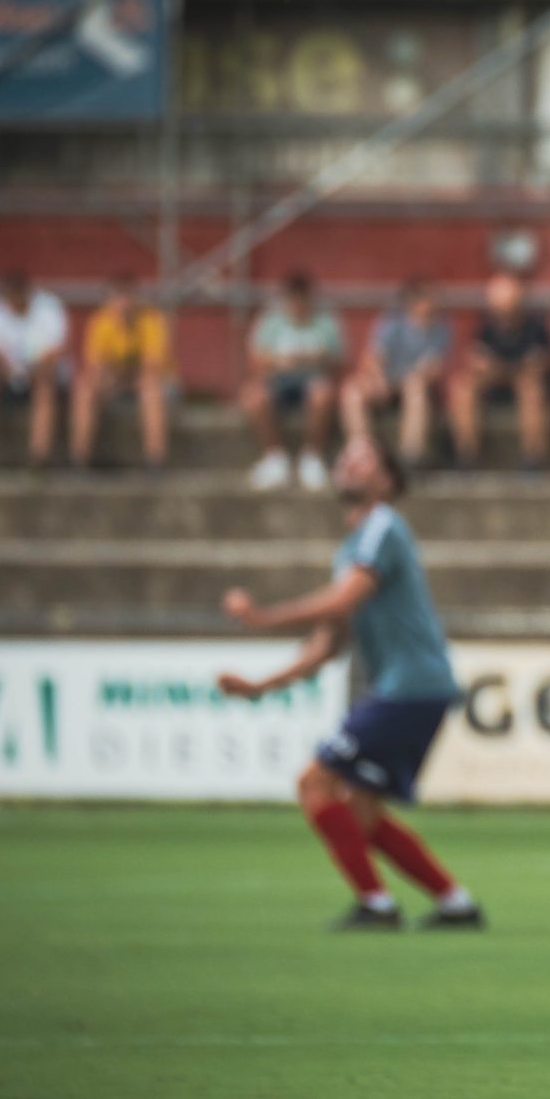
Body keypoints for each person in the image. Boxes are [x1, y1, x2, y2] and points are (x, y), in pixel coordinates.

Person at [217, 437, 483, 932]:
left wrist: (262, 617)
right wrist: (259, 686)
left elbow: (340, 604)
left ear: (388, 481)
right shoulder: (354, 548)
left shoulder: (382, 525)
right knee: (361, 812)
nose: (347, 463)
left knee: (314, 784)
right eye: (345, 457)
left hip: (410, 687)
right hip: (413, 689)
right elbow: (327, 645)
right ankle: (455, 904)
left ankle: (376, 905)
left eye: (363, 459)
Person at [243, 273, 345, 491]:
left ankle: (312, 458)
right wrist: (279, 361)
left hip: (314, 379)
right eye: (294, 299)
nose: (298, 305)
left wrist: (317, 357)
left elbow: (339, 360)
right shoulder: (271, 321)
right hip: (277, 380)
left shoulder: (326, 322)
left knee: (323, 393)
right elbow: (255, 359)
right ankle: (274, 459)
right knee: (254, 396)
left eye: (302, 299)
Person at [449, 272, 550, 472]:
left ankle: (533, 457)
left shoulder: (535, 325)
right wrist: (489, 367)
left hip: (523, 383)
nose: (502, 310)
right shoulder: (485, 324)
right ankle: (467, 455)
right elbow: (475, 357)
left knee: (530, 388)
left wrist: (508, 368)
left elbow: (539, 364)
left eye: (507, 304)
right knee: (462, 387)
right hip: (494, 384)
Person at [0, 272, 69, 469]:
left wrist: (31, 371)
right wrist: (7, 371)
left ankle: (39, 456)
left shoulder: (48, 308)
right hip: (7, 378)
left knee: (45, 382)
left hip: (41, 377)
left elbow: (56, 351)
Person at [344, 281, 452, 467]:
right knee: (352, 391)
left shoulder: (441, 329)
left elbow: (433, 370)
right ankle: (362, 452)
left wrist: (410, 378)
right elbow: (372, 357)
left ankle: (410, 455)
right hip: (385, 382)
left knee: (415, 386)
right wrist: (379, 379)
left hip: (415, 385)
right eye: (428, 298)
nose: (434, 302)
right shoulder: (392, 323)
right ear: (413, 301)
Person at [71, 276, 172, 469]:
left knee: (150, 388)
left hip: (150, 384)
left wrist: (118, 373)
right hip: (116, 382)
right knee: (84, 387)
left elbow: (152, 367)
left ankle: (156, 459)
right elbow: (95, 366)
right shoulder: (100, 321)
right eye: (117, 297)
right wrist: (115, 376)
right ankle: (80, 458)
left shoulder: (151, 319)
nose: (123, 304)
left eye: (127, 297)